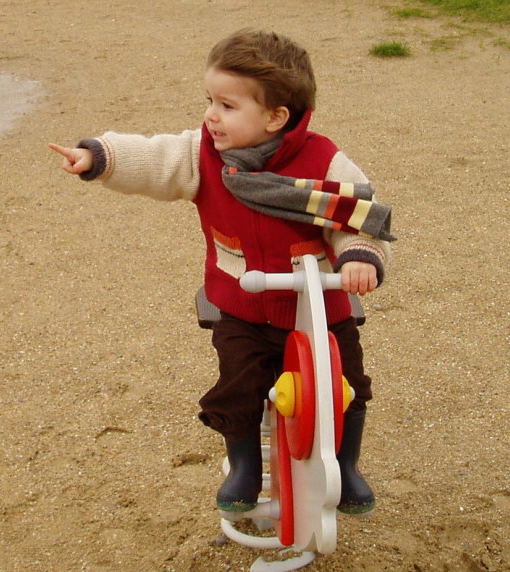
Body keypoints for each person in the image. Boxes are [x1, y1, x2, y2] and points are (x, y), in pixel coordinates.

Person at [50, 29, 393, 515]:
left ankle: (346, 464)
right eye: (210, 100)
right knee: (237, 387)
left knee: (346, 386)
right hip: (243, 306)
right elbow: (155, 158)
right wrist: (100, 158)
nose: (211, 115)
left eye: (228, 106)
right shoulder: (203, 157)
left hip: (318, 303)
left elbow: (354, 217)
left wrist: (357, 255)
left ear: (276, 117)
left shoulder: (324, 161)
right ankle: (244, 466)